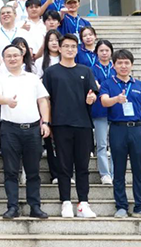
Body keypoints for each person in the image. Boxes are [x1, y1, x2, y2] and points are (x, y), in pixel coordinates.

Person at [42, 33, 99, 218]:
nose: (70, 49)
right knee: (64, 166)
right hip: (60, 124)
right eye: (66, 46)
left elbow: (93, 93)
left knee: (82, 166)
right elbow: (46, 100)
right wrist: (47, 123)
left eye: (73, 46)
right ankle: (66, 202)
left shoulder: (85, 71)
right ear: (59, 48)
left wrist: (92, 98)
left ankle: (83, 203)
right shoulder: (51, 72)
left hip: (83, 124)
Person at [0, 45, 50, 219]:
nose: (12, 59)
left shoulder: (32, 78)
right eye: (8, 56)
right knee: (10, 171)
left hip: (32, 129)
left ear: (22, 57)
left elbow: (42, 101)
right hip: (10, 129)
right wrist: (7, 101)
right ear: (4, 59)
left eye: (15, 55)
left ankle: (35, 206)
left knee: (33, 171)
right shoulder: (0, 79)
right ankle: (12, 207)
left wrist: (45, 122)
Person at [100, 49, 141, 219]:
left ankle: (140, 206)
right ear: (114, 65)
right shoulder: (108, 83)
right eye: (120, 63)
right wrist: (116, 99)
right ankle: (121, 206)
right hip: (118, 129)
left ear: (131, 65)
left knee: (139, 170)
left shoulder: (140, 85)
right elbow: (104, 101)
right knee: (119, 170)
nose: (123, 66)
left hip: (137, 129)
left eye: (126, 63)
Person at [35, 30, 63, 185]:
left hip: (63, 104)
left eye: (56, 40)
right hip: (46, 103)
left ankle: (66, 173)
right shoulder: (41, 62)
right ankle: (55, 174)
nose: (54, 43)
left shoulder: (66, 59)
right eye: (50, 40)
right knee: (50, 140)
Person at [91, 39, 115, 186]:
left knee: (116, 145)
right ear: (96, 53)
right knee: (101, 144)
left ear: (111, 52)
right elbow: (95, 87)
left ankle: (115, 173)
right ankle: (105, 174)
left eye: (107, 50)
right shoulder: (92, 69)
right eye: (101, 50)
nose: (104, 53)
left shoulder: (116, 67)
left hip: (116, 110)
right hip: (99, 110)